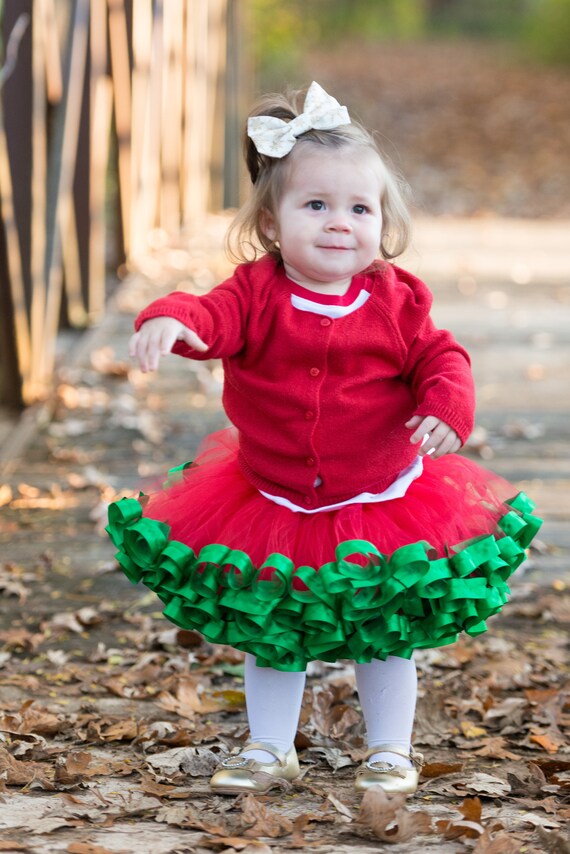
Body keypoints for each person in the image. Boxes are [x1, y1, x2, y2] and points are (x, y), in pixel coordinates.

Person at [106, 82, 541, 796]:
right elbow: (208, 314)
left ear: (381, 221)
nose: (340, 223)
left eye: (358, 208)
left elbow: (442, 357)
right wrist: (170, 319)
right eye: (316, 206)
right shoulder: (253, 293)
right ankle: (269, 746)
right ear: (272, 223)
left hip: (384, 496)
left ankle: (389, 750)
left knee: (386, 631)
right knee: (273, 628)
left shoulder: (397, 301)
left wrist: (447, 406)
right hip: (273, 497)